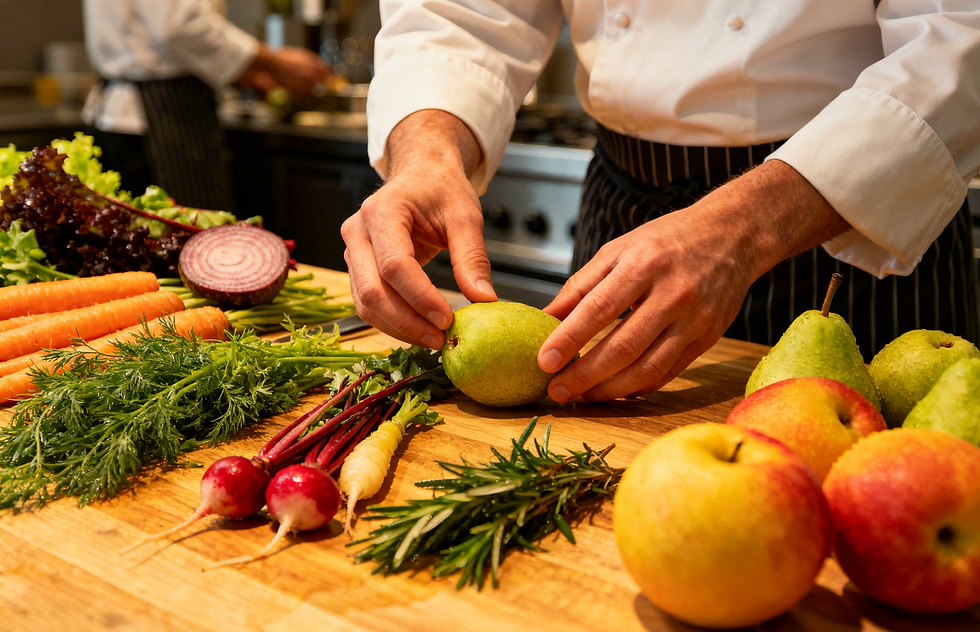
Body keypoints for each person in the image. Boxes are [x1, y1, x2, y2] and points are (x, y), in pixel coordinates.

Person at [342, 1, 980, 403]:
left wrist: (742, 227)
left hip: (853, 217)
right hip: (623, 206)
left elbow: (960, 35)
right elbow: (459, 14)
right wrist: (425, 152)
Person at [82, 0, 330, 210]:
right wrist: (274, 61)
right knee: (186, 241)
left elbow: (151, 36)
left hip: (119, 115)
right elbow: (181, 26)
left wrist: (245, 75)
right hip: (160, 118)